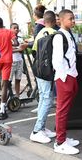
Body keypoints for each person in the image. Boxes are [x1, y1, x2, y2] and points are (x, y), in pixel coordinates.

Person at [52, 9, 79, 155]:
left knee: (65, 110)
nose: (73, 21)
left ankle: (63, 138)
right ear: (60, 20)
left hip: (71, 75)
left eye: (73, 18)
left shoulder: (68, 34)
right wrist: (64, 79)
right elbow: (56, 61)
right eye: (70, 18)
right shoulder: (59, 36)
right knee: (62, 110)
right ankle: (60, 142)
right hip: (65, 77)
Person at [30, 11, 57, 144]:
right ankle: (37, 130)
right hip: (47, 71)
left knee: (43, 97)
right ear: (55, 20)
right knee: (47, 99)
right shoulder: (54, 33)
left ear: (44, 21)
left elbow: (34, 51)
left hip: (38, 70)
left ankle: (41, 128)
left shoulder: (40, 32)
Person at [0, 17, 18, 120]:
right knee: (5, 85)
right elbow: (16, 43)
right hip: (7, 60)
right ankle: (2, 110)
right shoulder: (9, 32)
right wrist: (9, 44)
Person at [9, 23, 26, 98]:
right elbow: (9, 50)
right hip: (11, 62)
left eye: (17, 28)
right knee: (9, 80)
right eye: (14, 28)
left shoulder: (20, 38)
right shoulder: (8, 38)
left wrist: (16, 49)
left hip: (19, 61)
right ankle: (9, 96)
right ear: (10, 29)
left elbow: (23, 48)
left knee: (18, 79)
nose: (16, 29)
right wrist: (18, 49)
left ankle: (17, 96)